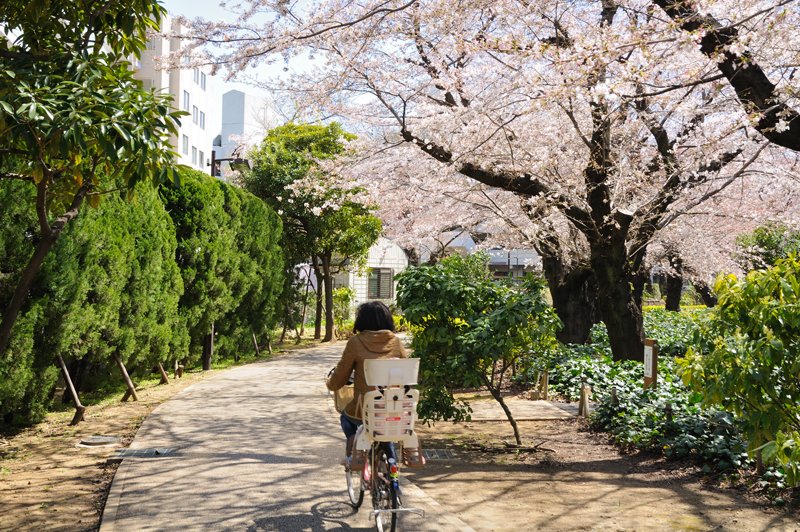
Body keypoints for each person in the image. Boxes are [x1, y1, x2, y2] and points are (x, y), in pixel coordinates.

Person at [326, 301, 407, 462]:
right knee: (386, 429)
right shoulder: (396, 342)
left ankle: (352, 440)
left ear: (361, 320)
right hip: (394, 407)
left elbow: (339, 377)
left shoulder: (356, 343)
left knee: (346, 418)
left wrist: (331, 383)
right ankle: (393, 474)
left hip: (364, 408)